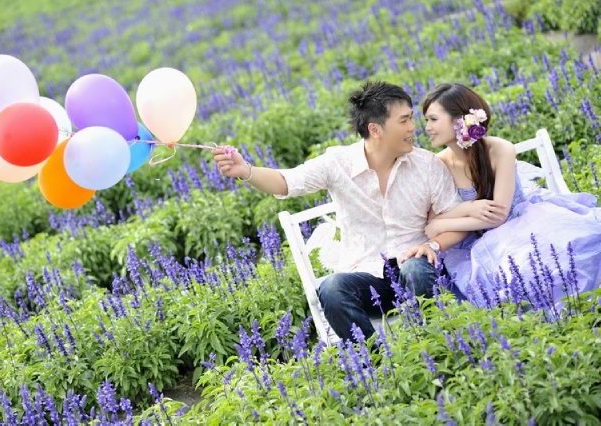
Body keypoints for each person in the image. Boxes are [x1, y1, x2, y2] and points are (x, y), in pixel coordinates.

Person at [213, 81, 467, 341]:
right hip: (367, 278)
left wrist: (433, 245)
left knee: (415, 269)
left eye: (411, 118)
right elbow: (286, 181)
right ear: (375, 129)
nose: (413, 127)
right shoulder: (338, 163)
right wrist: (246, 171)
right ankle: (376, 362)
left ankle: (438, 344)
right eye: (404, 121)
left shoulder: (426, 164)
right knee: (332, 289)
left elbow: (454, 219)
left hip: (415, 270)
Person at [422, 83, 601, 310]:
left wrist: (441, 222)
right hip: (479, 240)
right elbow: (432, 222)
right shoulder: (439, 164)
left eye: (433, 119)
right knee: (518, 277)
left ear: (459, 120)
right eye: (426, 120)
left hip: (522, 223)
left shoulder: (500, 150)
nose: (427, 127)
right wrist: (462, 212)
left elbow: (498, 215)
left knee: (564, 256)